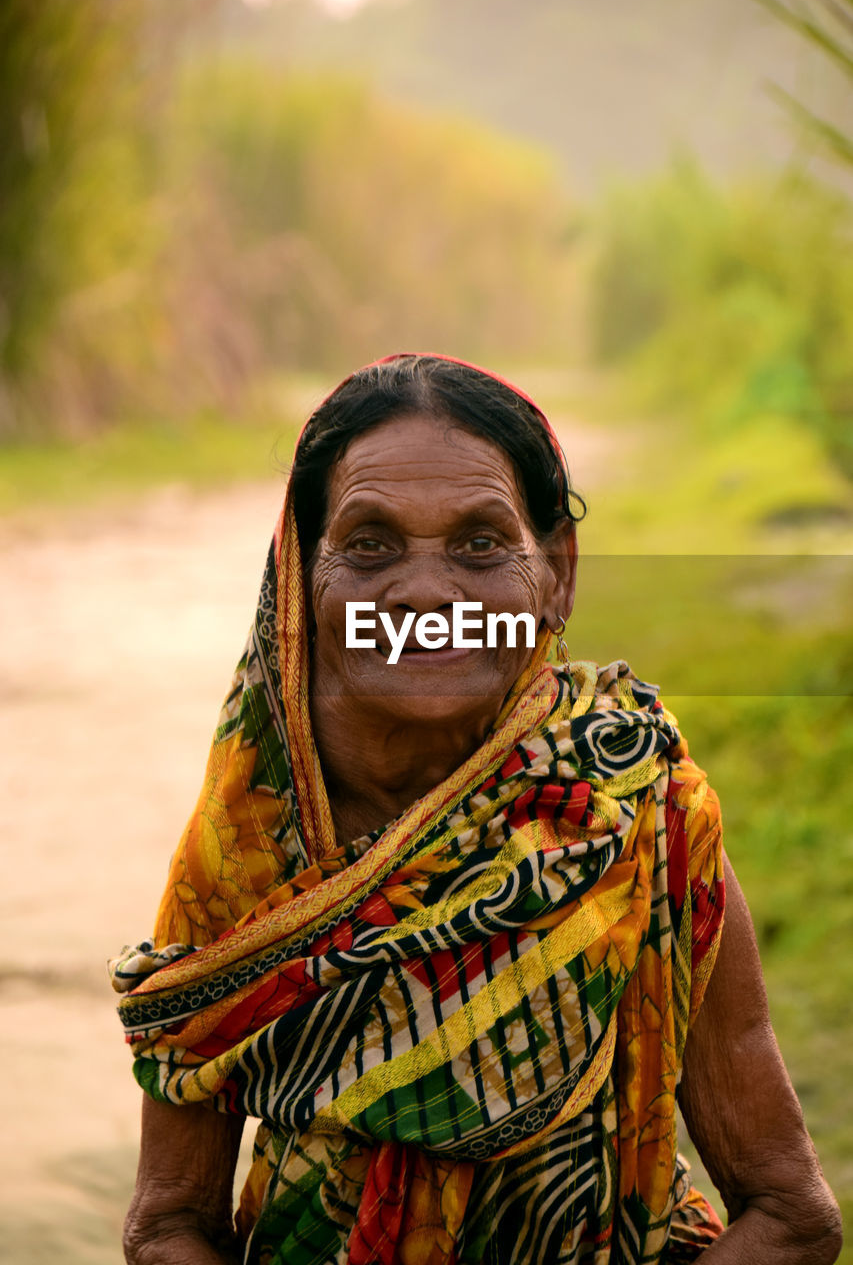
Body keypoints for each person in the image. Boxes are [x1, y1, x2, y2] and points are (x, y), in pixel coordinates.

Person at [111, 354, 841, 1265]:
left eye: (481, 544)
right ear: (301, 581)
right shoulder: (250, 850)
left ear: (557, 576)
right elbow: (167, 1225)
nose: (425, 593)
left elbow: (792, 1217)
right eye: (370, 544)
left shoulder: (635, 813)